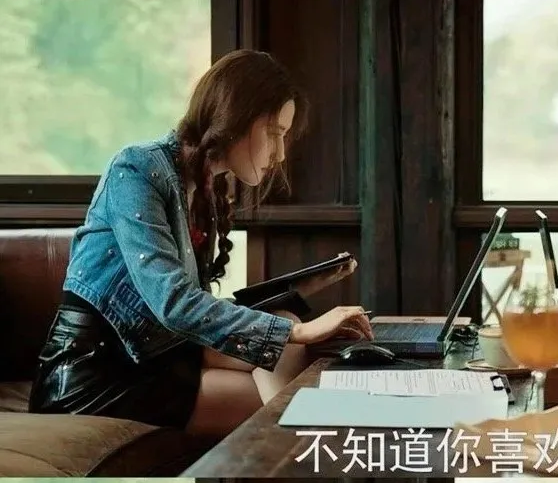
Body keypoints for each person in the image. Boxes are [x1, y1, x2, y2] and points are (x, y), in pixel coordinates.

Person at [28, 49, 375, 438]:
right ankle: (307, 449)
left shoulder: (203, 188)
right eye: (274, 133)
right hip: (95, 375)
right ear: (235, 116)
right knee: (282, 371)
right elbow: (173, 302)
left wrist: (300, 295)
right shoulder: (136, 169)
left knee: (286, 335)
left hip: (156, 354)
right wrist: (297, 332)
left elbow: (194, 308)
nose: (279, 154)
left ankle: (306, 448)